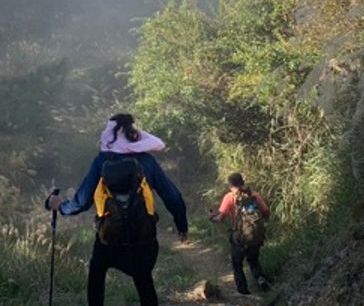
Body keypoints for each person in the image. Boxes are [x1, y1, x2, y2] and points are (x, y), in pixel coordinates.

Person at [47, 115, 188, 306]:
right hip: (143, 239)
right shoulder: (146, 161)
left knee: (96, 273)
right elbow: (173, 197)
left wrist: (60, 206)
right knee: (144, 281)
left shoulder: (101, 161)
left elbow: (81, 202)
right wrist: (182, 225)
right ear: (133, 134)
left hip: (109, 240)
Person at [209, 172, 271, 294]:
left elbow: (220, 218)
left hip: (239, 238)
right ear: (242, 182)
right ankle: (260, 279)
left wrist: (211, 217)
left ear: (231, 185)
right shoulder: (254, 196)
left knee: (237, 263)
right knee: (253, 260)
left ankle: (243, 290)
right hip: (254, 235)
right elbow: (266, 212)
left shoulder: (229, 197)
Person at [99, 112, 166, 154]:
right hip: (129, 160)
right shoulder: (134, 133)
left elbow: (159, 144)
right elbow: (159, 143)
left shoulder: (134, 133)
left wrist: (129, 147)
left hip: (110, 162)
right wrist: (132, 148)